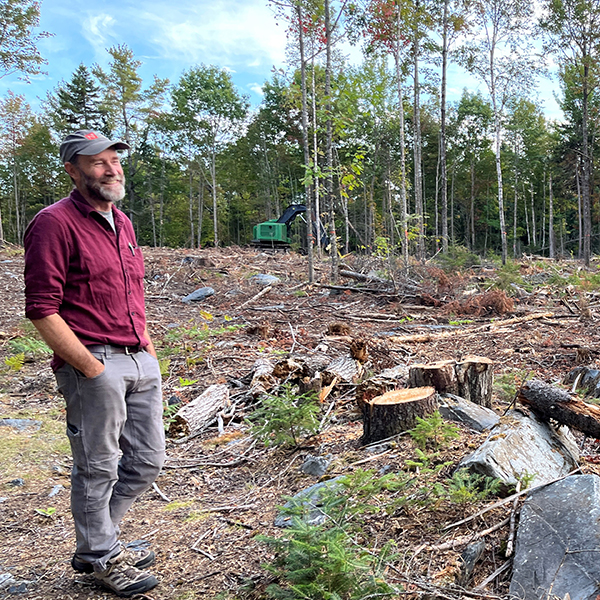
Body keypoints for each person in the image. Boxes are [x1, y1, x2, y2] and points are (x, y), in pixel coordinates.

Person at [23, 130, 165, 598]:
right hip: (95, 362)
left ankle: (99, 542)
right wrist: (89, 367)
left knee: (146, 461)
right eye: (98, 162)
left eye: (114, 160)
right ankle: (102, 555)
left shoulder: (122, 223)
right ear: (72, 170)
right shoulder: (54, 223)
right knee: (97, 465)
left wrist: (147, 349)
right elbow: (42, 308)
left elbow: (131, 293)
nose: (111, 169)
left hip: (139, 358)